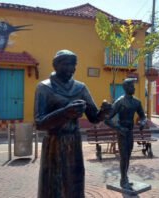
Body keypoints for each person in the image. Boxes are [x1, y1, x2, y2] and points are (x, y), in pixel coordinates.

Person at [34, 49, 111, 198]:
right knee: (53, 185)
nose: (71, 68)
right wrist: (64, 113)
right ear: (55, 65)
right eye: (66, 64)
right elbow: (39, 123)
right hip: (54, 143)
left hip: (73, 142)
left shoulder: (80, 88)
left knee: (74, 183)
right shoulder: (44, 87)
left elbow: (94, 118)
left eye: (74, 64)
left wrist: (104, 112)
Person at [105, 78, 147, 190]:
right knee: (124, 157)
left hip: (130, 132)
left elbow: (143, 116)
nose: (134, 88)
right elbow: (107, 119)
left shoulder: (137, 102)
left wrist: (143, 122)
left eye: (134, 86)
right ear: (126, 88)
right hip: (122, 132)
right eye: (132, 86)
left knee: (128, 156)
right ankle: (123, 180)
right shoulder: (119, 101)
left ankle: (125, 177)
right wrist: (118, 128)